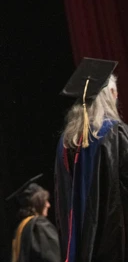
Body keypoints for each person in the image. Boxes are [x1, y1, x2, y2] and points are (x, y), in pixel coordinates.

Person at [54, 57, 128, 262]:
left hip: (79, 247)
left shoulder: (66, 141)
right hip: (115, 244)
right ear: (110, 94)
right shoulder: (115, 133)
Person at [6, 174, 60, 262]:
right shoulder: (39, 225)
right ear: (38, 203)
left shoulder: (21, 227)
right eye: (45, 201)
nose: (48, 205)